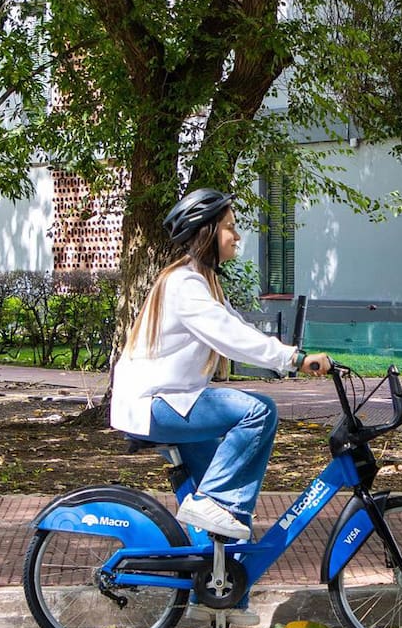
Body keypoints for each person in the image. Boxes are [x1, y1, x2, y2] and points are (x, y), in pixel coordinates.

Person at [110, 188, 331, 541]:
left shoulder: (202, 281)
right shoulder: (185, 284)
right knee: (258, 412)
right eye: (230, 227)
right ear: (207, 233)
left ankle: (226, 580)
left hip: (173, 401)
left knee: (230, 522)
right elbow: (230, 336)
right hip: (155, 404)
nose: (238, 235)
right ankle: (215, 502)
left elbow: (238, 328)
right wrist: (294, 359)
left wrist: (293, 355)